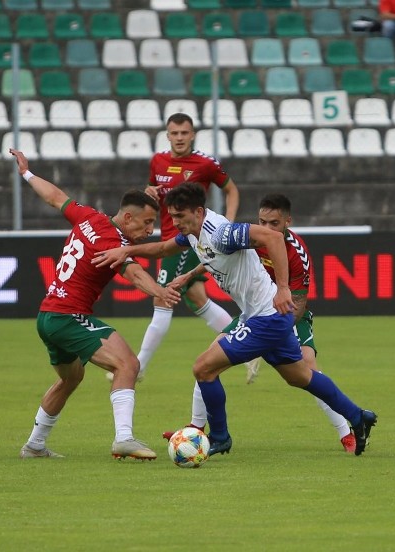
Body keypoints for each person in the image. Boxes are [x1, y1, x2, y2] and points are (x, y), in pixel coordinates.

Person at [94, 183, 378, 457]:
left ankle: (219, 437)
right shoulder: (193, 234)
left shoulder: (222, 232)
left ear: (199, 212)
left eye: (180, 216)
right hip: (264, 316)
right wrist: (128, 250)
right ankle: (358, 416)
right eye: (172, 216)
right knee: (301, 377)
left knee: (204, 368)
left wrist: (282, 288)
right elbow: (164, 248)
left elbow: (274, 238)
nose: (176, 222)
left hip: (266, 317)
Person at [9, 148, 181, 461]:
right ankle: (124, 438)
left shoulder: (89, 217)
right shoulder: (113, 242)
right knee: (128, 364)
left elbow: (55, 196)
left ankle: (34, 445)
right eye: (146, 223)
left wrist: (27, 173)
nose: (150, 230)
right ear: (127, 218)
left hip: (48, 316)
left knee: (71, 378)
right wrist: (160, 291)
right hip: (67, 316)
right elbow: (134, 272)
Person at [163, 194, 358, 453]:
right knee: (210, 358)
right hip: (255, 314)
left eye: (274, 223)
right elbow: (216, 257)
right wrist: (189, 273)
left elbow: (297, 302)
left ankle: (346, 433)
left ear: (288, 222)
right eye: (262, 221)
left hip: (288, 314)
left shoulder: (295, 252)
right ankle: (195, 431)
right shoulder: (253, 236)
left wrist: (267, 337)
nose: (266, 228)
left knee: (307, 366)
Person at [126, 112, 242, 382]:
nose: (179, 138)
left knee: (162, 298)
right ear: (168, 135)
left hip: (187, 240)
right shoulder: (158, 161)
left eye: (184, 133)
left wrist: (229, 225)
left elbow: (232, 190)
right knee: (197, 298)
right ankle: (244, 344)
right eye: (174, 133)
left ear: (192, 135)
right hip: (168, 239)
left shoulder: (205, 163)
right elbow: (152, 191)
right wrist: (149, 192)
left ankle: (138, 367)